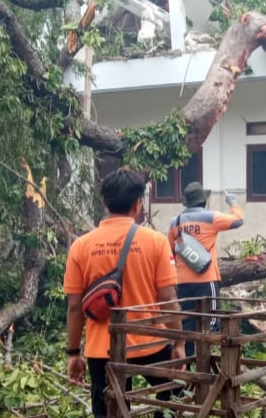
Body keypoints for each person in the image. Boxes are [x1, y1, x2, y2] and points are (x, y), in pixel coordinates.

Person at [64, 169, 184, 418]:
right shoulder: (156, 242)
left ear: (104, 202)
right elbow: (168, 297)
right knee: (170, 398)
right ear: (138, 204)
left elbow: (75, 307)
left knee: (109, 410)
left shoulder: (81, 246)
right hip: (151, 342)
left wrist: (73, 353)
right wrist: (179, 343)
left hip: (102, 350)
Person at [167, 182, 243, 357]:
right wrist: (233, 203)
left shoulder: (175, 223)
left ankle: (187, 365)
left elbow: (170, 250)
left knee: (186, 325)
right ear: (203, 201)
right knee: (210, 324)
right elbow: (238, 220)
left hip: (183, 281)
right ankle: (206, 366)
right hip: (206, 280)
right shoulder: (211, 218)